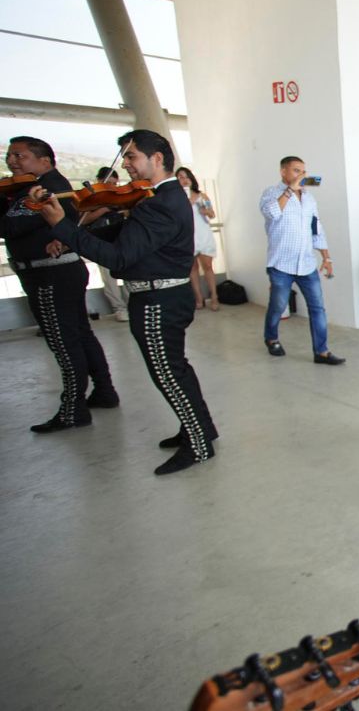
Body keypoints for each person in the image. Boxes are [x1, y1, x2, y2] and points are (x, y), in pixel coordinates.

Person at [33, 130, 219, 475]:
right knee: (176, 368)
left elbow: (119, 257)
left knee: (167, 372)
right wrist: (70, 237)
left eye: (131, 157)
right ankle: (201, 428)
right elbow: (128, 236)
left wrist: (64, 227)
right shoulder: (159, 198)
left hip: (157, 300)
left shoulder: (159, 204)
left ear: (157, 158)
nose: (127, 165)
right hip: (162, 295)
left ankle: (198, 443)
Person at [3, 136, 119, 431]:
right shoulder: (30, 188)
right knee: (79, 334)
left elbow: (10, 226)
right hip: (55, 272)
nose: (12, 161)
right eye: (10, 155)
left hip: (50, 274)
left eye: (20, 156)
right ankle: (104, 392)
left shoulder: (46, 189)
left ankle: (73, 410)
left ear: (44, 160)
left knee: (63, 341)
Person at [258, 156, 345, 365]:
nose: (301, 175)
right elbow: (271, 213)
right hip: (281, 265)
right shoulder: (271, 193)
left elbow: (316, 229)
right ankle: (271, 338)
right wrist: (290, 190)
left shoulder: (309, 199)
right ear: (283, 172)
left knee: (317, 308)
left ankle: (321, 352)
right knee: (278, 306)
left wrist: (326, 257)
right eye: (296, 170)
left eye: (303, 171)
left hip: (306, 264)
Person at [176, 167, 218, 311]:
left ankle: (214, 297)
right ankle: (199, 299)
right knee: (192, 269)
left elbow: (212, 214)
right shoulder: (177, 199)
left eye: (186, 176)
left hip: (203, 235)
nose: (184, 179)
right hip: (187, 238)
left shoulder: (202, 196)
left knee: (208, 267)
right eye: (180, 177)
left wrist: (205, 210)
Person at [93, 166, 129, 321]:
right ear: (100, 181)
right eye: (110, 183)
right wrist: (104, 209)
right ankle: (119, 308)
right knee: (108, 277)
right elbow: (85, 218)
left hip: (121, 239)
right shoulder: (93, 198)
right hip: (102, 240)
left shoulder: (119, 198)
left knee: (129, 274)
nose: (113, 187)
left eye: (115, 183)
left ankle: (132, 305)